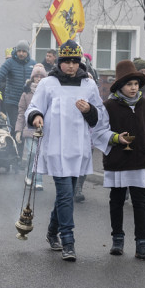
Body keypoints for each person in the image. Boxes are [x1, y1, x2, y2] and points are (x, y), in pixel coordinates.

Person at [25, 40, 106, 262]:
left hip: (78, 148)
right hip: (56, 146)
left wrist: (89, 110)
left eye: (74, 62)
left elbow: (99, 116)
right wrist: (36, 116)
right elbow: (34, 107)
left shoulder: (88, 85)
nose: (71, 66)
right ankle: (68, 241)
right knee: (65, 194)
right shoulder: (48, 83)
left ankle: (52, 231)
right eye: (67, 62)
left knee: (66, 195)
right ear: (60, 62)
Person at [99, 60, 145, 259]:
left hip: (138, 158)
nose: (133, 88)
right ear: (120, 86)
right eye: (129, 84)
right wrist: (115, 138)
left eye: (136, 84)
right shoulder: (109, 105)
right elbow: (99, 131)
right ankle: (117, 239)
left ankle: (142, 243)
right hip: (118, 159)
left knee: (140, 201)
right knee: (117, 200)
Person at [0, 40, 35, 126]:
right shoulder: (10, 62)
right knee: (15, 125)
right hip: (12, 101)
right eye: (19, 51)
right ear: (16, 51)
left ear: (27, 52)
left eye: (24, 51)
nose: (21, 53)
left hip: (27, 100)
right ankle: (15, 137)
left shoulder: (33, 63)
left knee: (27, 126)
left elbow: (39, 79)